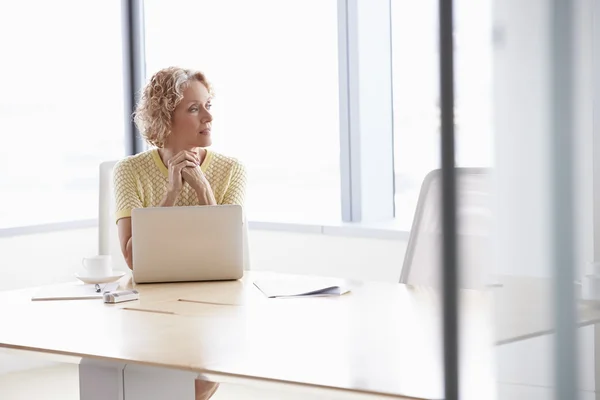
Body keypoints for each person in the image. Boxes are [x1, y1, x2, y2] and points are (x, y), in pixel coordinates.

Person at [112, 66, 246, 400]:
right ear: (164, 119)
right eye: (194, 108)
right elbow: (132, 257)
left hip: (214, 303)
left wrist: (204, 192)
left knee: (200, 382)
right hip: (149, 305)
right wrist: (170, 194)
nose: (209, 118)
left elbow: (228, 253)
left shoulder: (232, 170)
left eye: (208, 106)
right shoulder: (128, 172)